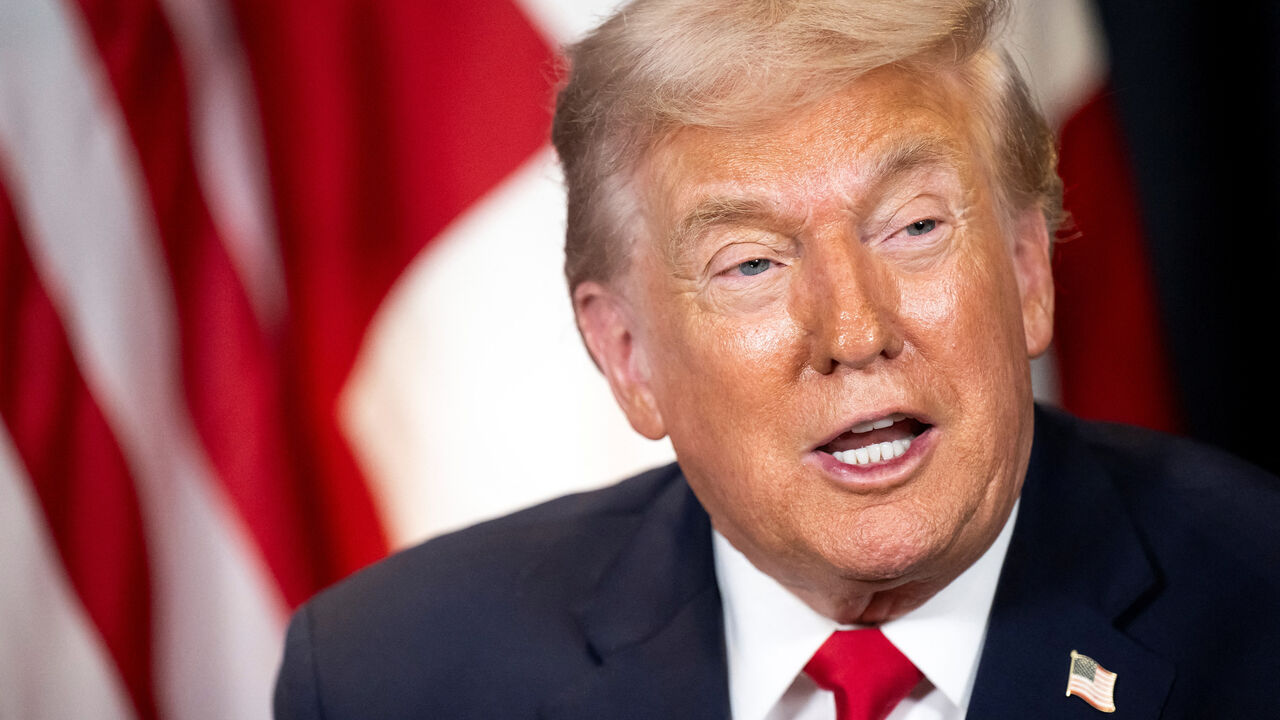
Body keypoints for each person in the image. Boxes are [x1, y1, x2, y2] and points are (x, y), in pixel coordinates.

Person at [273, 1, 1280, 718]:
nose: (852, 331)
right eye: (748, 262)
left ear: (1025, 271)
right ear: (625, 355)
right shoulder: (393, 677)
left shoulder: (1257, 608)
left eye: (913, 226)